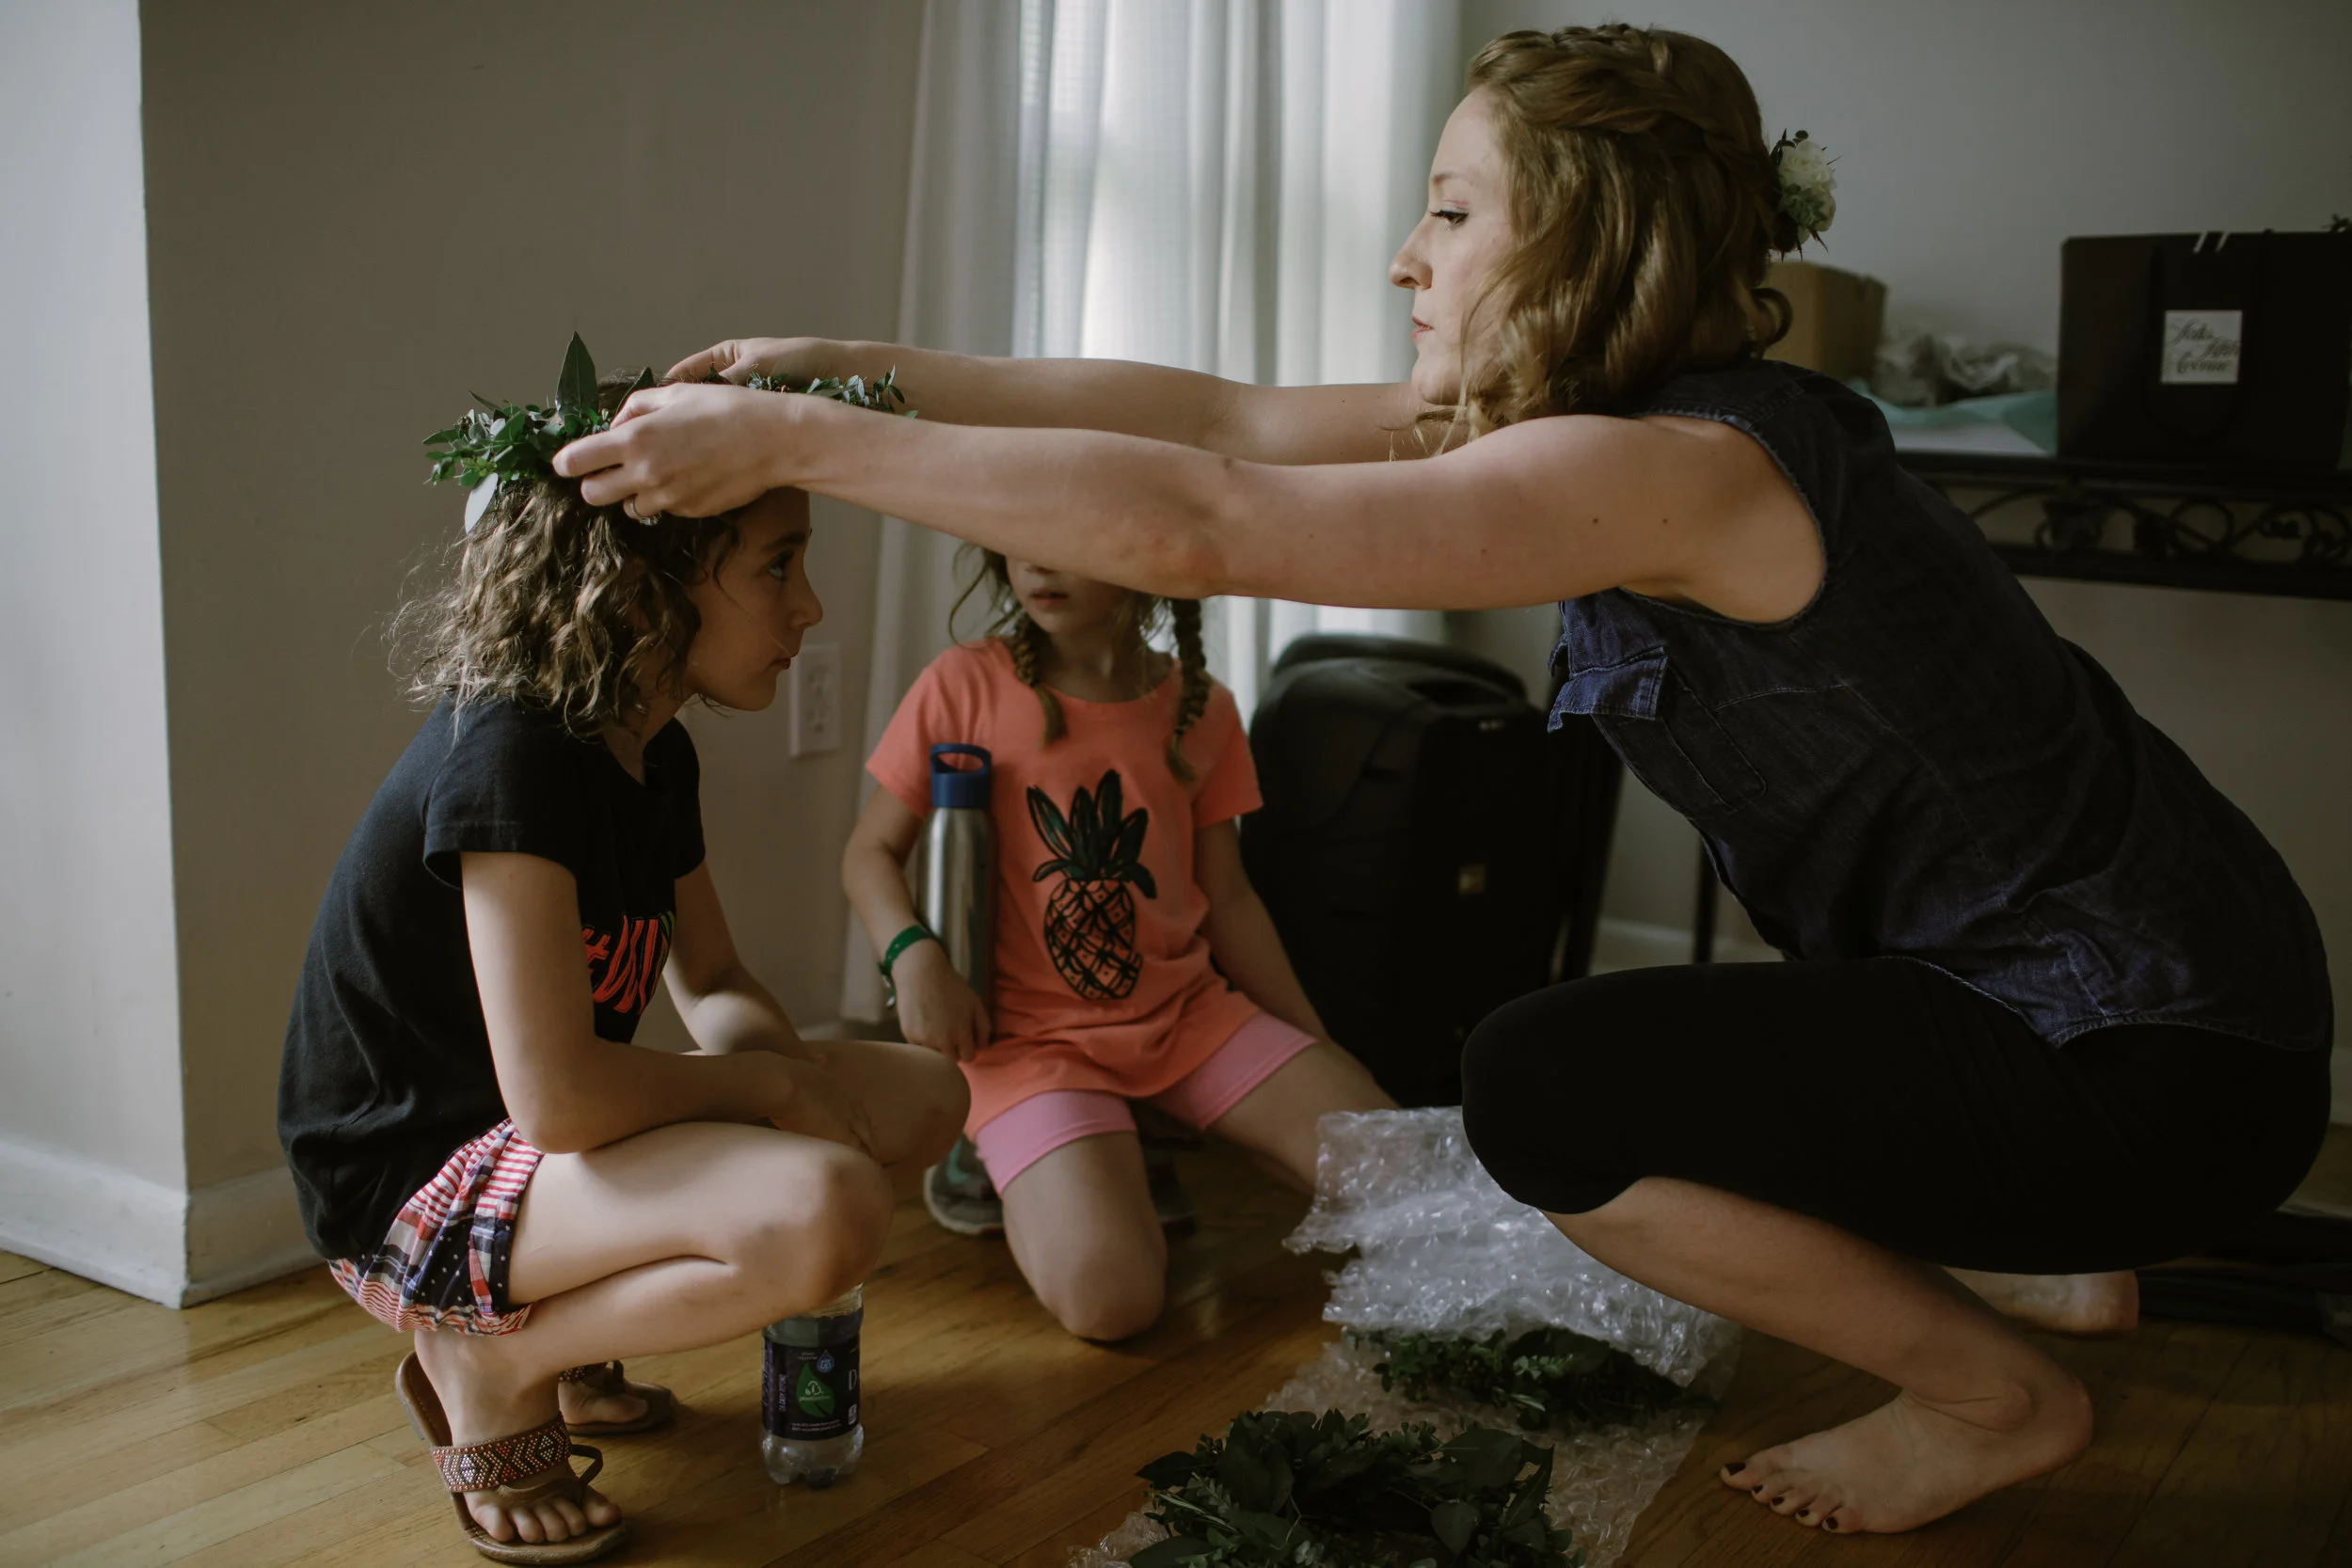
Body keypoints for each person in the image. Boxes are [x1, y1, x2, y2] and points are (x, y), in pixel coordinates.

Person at [553, 24, 2332, 1538]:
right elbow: (1224, 423)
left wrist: (798, 446)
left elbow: (1208, 522)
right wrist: (844, 373)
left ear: (1591, 248)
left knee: (1545, 1085)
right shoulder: (1620, 431)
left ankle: (1996, 1387)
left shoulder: (1689, 466)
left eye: (1455, 211)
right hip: (2136, 1008)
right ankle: (2050, 1250)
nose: (1409, 255)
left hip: (2148, 1043)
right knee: (1697, 1054)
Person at [279, 365, 966, 1561]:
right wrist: (768, 1096)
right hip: (409, 1182)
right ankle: (496, 1354)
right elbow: (561, 1094)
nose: (807, 608)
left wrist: (780, 1071)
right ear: (643, 586)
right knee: (833, 1208)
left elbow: (711, 979)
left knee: (927, 1094)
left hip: (537, 1149)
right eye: (777, 565)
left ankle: (557, 1326)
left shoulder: (650, 745)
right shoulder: (513, 753)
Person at [840, 548, 1391, 1340]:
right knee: (1115, 1301)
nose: (1036, 562)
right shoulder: (965, 681)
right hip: (1027, 1044)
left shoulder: (1202, 707)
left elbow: (1229, 898)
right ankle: (998, 1161)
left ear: (1146, 552)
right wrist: (912, 953)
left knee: (1409, 1171)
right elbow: (867, 854)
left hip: (1187, 1017)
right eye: (1018, 536)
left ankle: (1137, 1138)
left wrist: (1316, 1045)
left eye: (1067, 537)